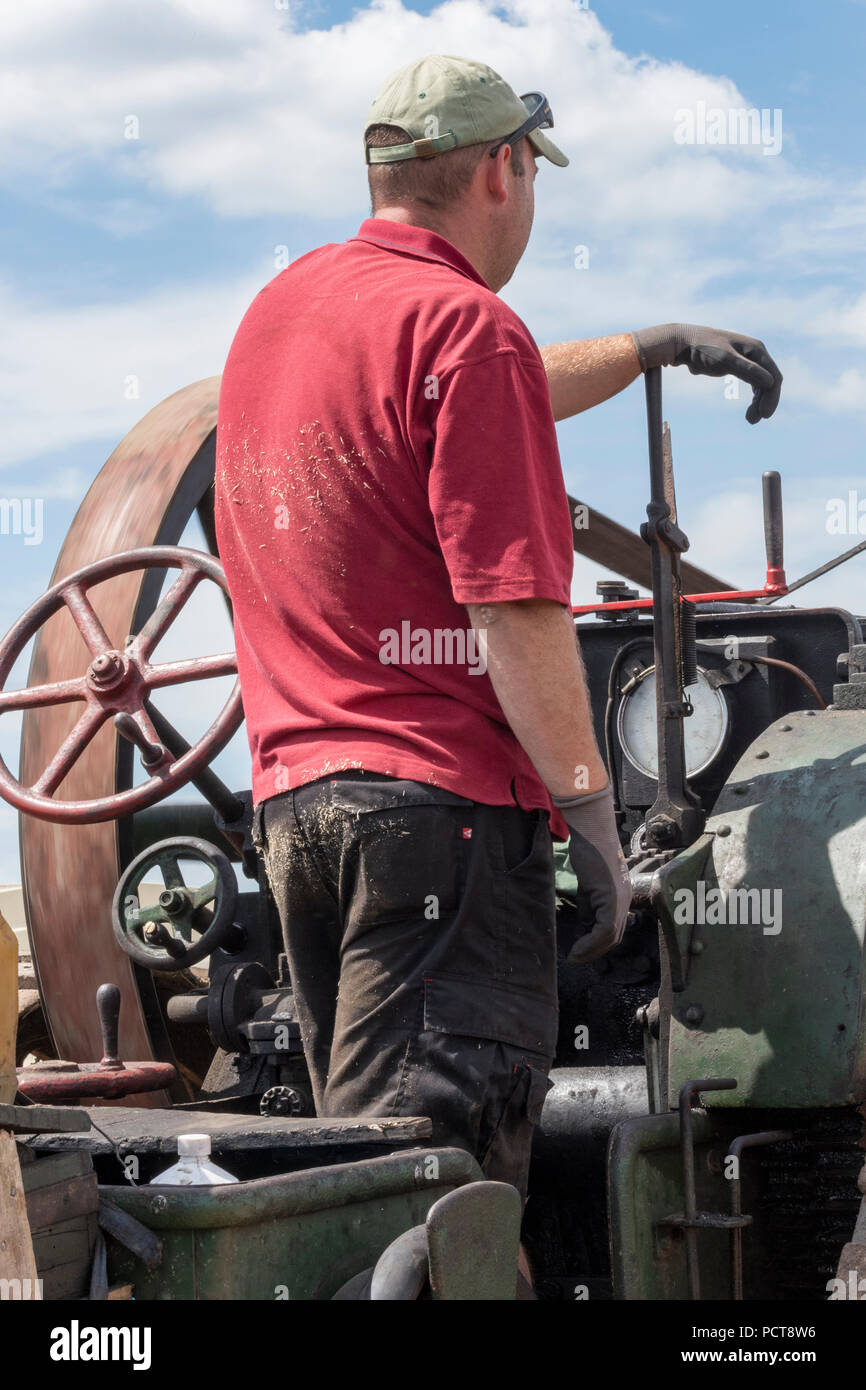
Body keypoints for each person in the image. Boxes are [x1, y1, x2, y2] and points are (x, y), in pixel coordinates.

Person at [214, 54, 782, 1219]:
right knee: (436, 1211)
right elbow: (515, 608)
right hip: (447, 829)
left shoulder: (282, 317)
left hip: (298, 819)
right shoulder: (469, 328)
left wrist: (647, 348)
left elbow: (457, 378)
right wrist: (594, 828)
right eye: (531, 175)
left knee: (352, 1184)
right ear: (499, 170)